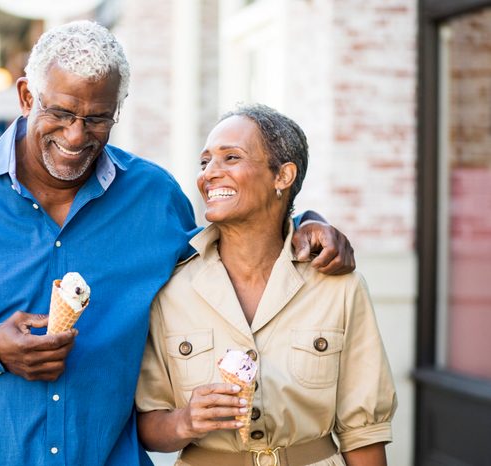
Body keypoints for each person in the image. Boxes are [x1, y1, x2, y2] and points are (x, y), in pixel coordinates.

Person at [0, 21, 355, 466]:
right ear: (27, 97)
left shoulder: (153, 198)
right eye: (62, 112)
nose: (76, 136)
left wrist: (302, 221)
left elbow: (232, 253)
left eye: (97, 118)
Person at [135, 103, 397, 466]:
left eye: (231, 158)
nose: (210, 173)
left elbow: (363, 434)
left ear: (283, 176)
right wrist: (186, 421)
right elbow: (147, 424)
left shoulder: (339, 287)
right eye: (205, 161)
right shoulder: (171, 289)